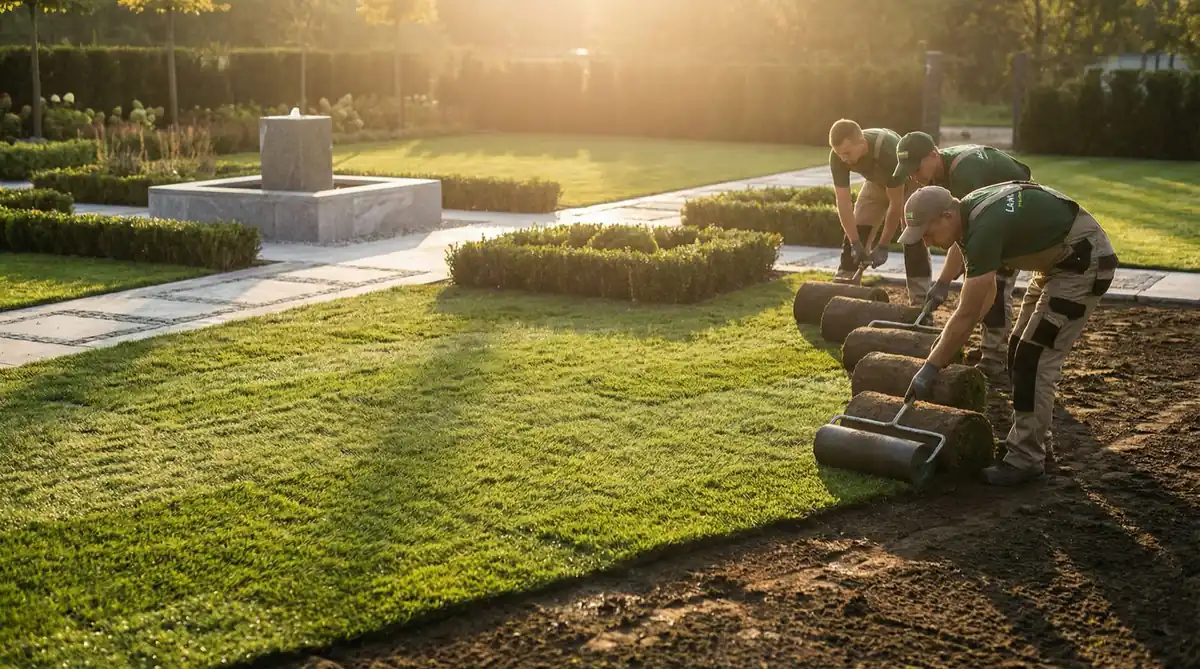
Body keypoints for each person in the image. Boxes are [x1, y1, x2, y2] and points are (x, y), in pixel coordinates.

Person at [898, 182, 1119, 486]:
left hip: (1082, 263)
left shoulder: (983, 227)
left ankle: (1027, 458)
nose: (926, 242)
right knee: (1018, 350)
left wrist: (931, 366)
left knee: (1035, 358)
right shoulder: (968, 219)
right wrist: (940, 354)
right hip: (1057, 266)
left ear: (946, 216)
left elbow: (967, 313)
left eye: (927, 233)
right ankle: (1036, 443)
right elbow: (982, 301)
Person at [889, 132, 1033, 374]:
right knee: (977, 274)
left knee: (993, 279)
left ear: (933, 155)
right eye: (908, 171)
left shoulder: (966, 175)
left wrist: (944, 281)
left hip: (1016, 212)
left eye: (915, 168)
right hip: (991, 217)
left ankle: (994, 353)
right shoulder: (939, 176)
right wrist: (946, 278)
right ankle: (988, 342)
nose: (913, 176)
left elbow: (966, 229)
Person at [827, 119, 929, 305]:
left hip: (907, 184)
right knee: (859, 230)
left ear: (862, 143)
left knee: (913, 237)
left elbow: (896, 204)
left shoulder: (887, 150)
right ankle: (842, 293)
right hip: (876, 182)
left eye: (847, 153)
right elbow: (843, 202)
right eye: (839, 154)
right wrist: (855, 242)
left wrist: (883, 245)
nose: (844, 159)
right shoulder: (838, 157)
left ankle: (921, 302)